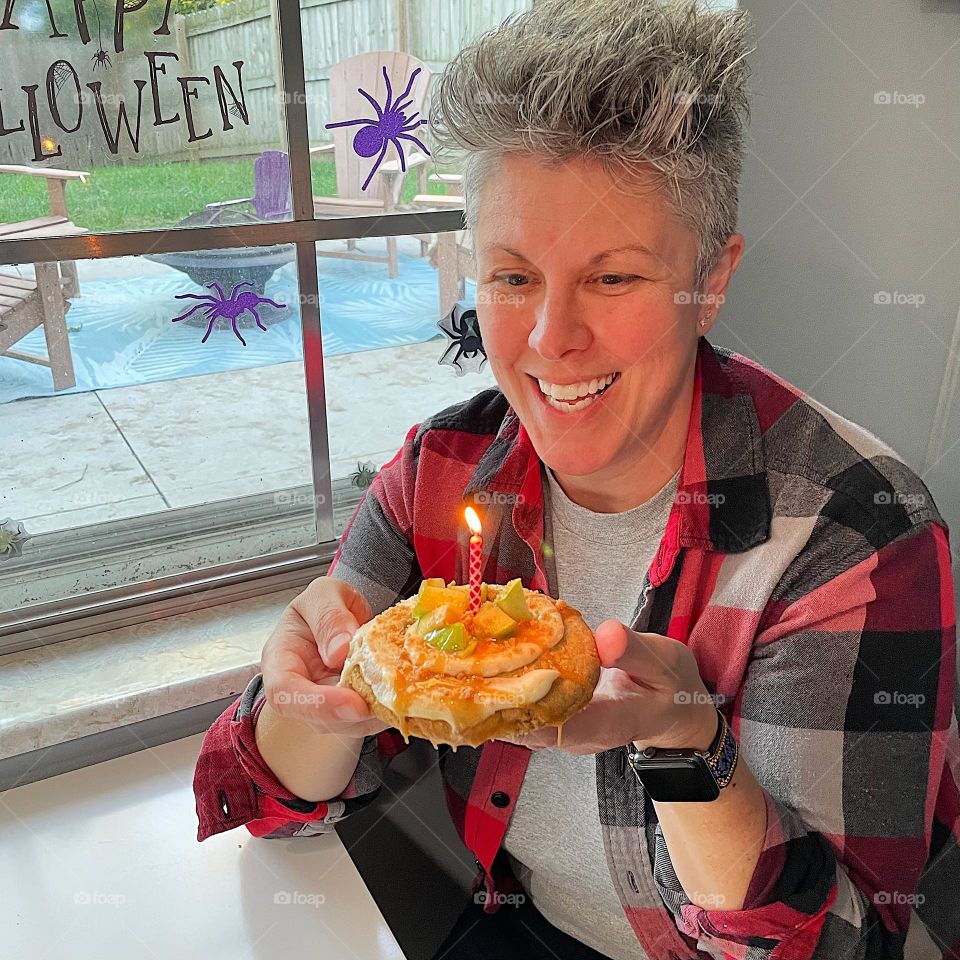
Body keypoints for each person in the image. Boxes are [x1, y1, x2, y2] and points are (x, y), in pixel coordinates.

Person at [192, 1, 960, 957]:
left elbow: (847, 942)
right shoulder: (442, 471)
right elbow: (278, 805)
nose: (551, 339)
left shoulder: (853, 534)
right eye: (512, 279)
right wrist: (314, 702)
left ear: (711, 280)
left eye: (614, 279)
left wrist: (689, 747)